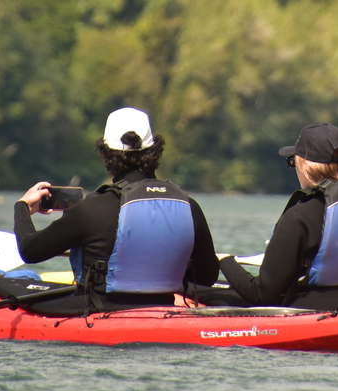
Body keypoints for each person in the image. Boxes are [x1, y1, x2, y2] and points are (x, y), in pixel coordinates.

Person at [12, 107, 219, 313]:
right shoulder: (189, 206)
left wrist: (22, 206)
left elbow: (30, 250)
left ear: (104, 155)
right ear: (154, 150)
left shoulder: (91, 210)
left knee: (20, 279)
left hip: (98, 309)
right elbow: (207, 277)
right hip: (162, 306)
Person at [215, 122, 338, 310]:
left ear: (305, 165)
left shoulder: (299, 215)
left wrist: (225, 261)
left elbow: (261, 294)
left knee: (208, 293)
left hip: (310, 312)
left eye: (293, 162)